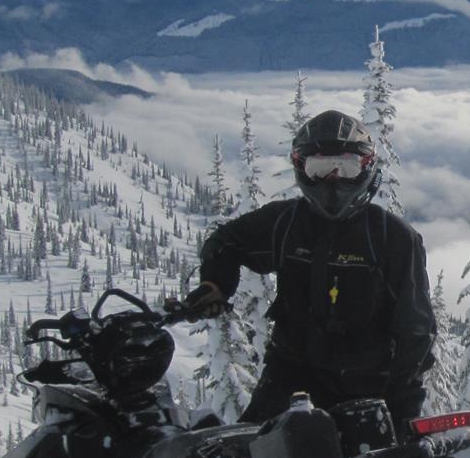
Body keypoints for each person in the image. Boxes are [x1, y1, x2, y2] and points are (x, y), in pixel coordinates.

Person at [172, 109, 436, 429]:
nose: (333, 179)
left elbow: (417, 330)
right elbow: (226, 241)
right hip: (290, 376)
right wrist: (216, 283)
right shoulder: (286, 222)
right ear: (301, 168)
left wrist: (402, 406)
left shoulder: (392, 237)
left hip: (368, 386)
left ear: (366, 168)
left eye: (346, 166)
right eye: (320, 167)